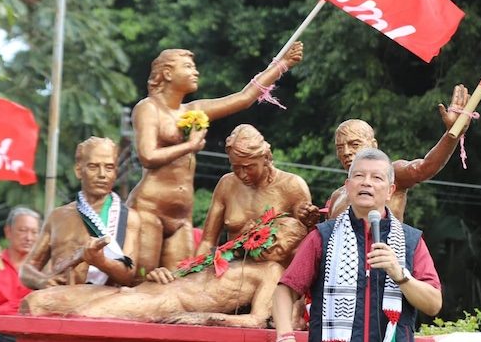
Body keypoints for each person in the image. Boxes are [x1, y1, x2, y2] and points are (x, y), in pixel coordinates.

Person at [128, 42, 304, 267]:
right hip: (150, 207)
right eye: (188, 67)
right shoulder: (148, 108)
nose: (196, 72)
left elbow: (244, 98)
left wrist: (283, 64)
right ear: (168, 73)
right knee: (141, 278)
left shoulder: (193, 110)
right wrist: (190, 146)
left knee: (178, 281)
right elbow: (147, 156)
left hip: (181, 216)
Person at [20, 216, 310, 329]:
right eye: (274, 236)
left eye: (283, 247)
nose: (274, 246)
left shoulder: (271, 271)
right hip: (145, 289)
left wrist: (205, 318)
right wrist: (158, 272)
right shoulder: (230, 253)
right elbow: (186, 272)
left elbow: (256, 320)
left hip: (164, 304)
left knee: (80, 320)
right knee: (36, 302)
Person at [274, 148, 442, 342]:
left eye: (376, 177)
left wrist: (400, 275)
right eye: (359, 176)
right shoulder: (323, 237)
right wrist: (285, 336)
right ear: (348, 186)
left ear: (390, 191)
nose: (366, 182)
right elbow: (285, 290)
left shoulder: (410, 240)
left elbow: (433, 304)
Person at [19, 137, 161, 290]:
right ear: (78, 170)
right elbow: (27, 268)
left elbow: (128, 275)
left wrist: (101, 261)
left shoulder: (128, 218)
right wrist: (41, 281)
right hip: (61, 296)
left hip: (102, 299)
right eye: (93, 167)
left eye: (109, 168)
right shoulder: (57, 216)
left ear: (115, 172)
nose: (102, 174)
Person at [326, 84, 471, 221]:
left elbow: (423, 168)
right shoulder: (337, 196)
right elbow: (327, 235)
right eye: (340, 148)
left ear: (373, 145)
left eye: (354, 144)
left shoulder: (391, 174)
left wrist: (452, 134)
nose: (346, 152)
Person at [195, 124, 318, 262]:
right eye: (236, 167)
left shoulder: (292, 185)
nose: (242, 174)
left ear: (265, 157)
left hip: (273, 268)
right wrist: (195, 268)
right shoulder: (226, 184)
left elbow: (306, 243)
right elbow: (207, 242)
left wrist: (308, 221)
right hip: (233, 264)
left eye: (248, 167)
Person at [0, 206, 39, 342]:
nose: (29, 238)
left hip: (31, 335)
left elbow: (36, 305)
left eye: (34, 232)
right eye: (22, 230)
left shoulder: (42, 269)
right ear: (8, 232)